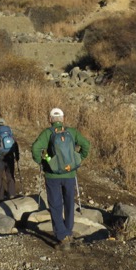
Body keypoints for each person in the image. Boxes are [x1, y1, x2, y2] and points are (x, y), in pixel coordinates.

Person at [31, 107, 91, 250]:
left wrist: (44, 161)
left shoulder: (48, 133)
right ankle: (68, 232)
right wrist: (78, 159)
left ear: (50, 119)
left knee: (55, 205)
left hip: (52, 175)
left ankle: (62, 237)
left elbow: (35, 149)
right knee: (69, 203)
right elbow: (86, 145)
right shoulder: (72, 132)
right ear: (63, 119)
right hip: (70, 174)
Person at [0, 118, 20, 201]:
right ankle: (12, 195)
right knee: (10, 176)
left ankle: (0, 197)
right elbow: (15, 144)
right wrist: (17, 156)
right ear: (4, 124)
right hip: (10, 157)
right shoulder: (10, 132)